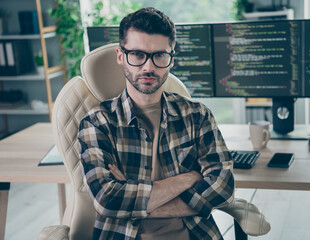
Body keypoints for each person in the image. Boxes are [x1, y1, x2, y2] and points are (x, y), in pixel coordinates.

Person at [78, 7, 234, 240]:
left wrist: (134, 201)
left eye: (160, 55)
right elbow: (108, 200)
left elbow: (223, 188)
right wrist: (189, 178)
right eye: (138, 54)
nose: (148, 67)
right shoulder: (97, 123)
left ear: (171, 60)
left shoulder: (198, 115)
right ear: (121, 57)